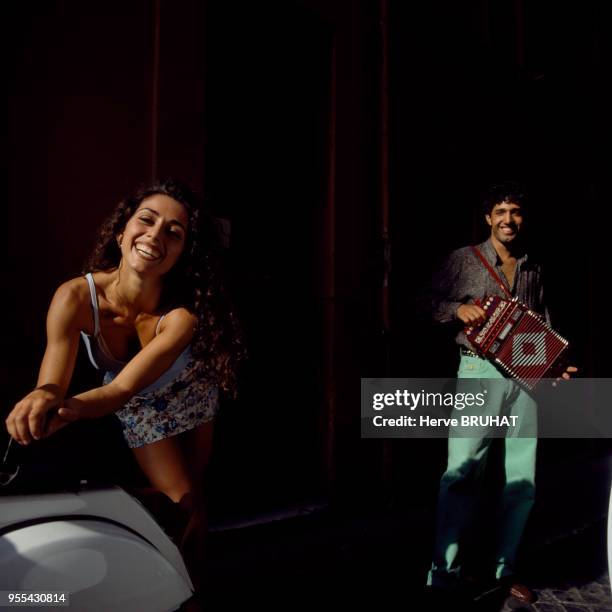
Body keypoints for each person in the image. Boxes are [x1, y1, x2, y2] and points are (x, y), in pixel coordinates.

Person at [5, 178, 244, 609]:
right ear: (121, 232)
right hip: (141, 407)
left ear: (182, 252)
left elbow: (121, 386)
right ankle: (172, 582)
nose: (155, 236)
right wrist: (43, 397)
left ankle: (195, 591)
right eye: (147, 221)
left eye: (174, 232)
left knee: (195, 503)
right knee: (179, 501)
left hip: (193, 389)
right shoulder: (76, 296)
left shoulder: (180, 319)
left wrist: (71, 410)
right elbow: (58, 381)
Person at [425, 182, 576, 606]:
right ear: (488, 217)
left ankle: (505, 571)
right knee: (461, 473)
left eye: (515, 212)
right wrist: (456, 309)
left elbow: (540, 322)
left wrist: (554, 367)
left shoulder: (533, 265)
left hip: (524, 381)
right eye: (501, 211)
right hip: (477, 372)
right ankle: (444, 574)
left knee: (521, 477)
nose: (509, 220)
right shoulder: (463, 260)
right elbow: (424, 301)